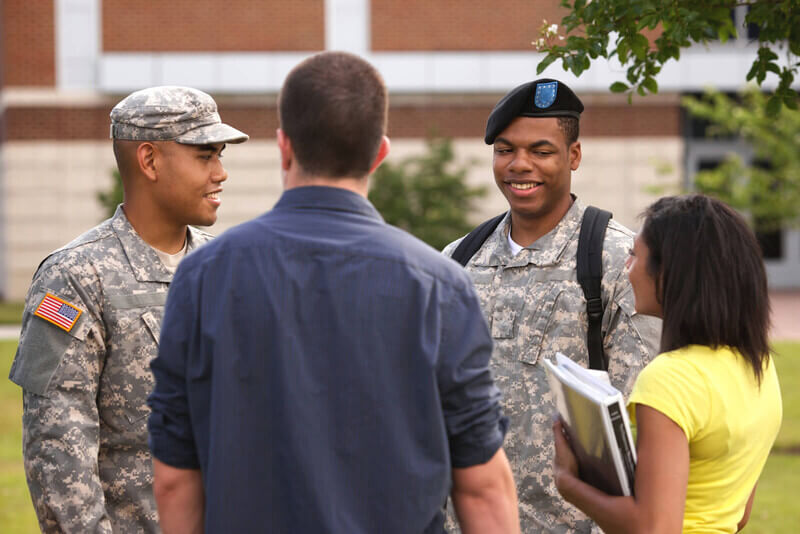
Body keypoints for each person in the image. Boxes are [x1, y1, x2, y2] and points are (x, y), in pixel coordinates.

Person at [146, 51, 519, 534]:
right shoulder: (439, 284)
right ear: (380, 153)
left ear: (284, 147)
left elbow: (175, 479)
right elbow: (482, 486)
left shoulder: (202, 277)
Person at [8, 85, 248, 533]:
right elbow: (58, 452)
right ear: (149, 160)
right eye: (204, 156)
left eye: (221, 156)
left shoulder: (225, 268)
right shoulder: (76, 277)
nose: (221, 173)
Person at [442, 78, 662, 533]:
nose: (520, 165)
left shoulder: (617, 262)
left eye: (540, 151)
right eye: (505, 151)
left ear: (573, 156)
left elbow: (643, 417)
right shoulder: (455, 261)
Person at [552, 194, 783, 533]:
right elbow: (739, 514)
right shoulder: (758, 365)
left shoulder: (670, 379)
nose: (627, 268)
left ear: (671, 273)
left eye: (633, 255)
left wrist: (567, 483)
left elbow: (654, 528)